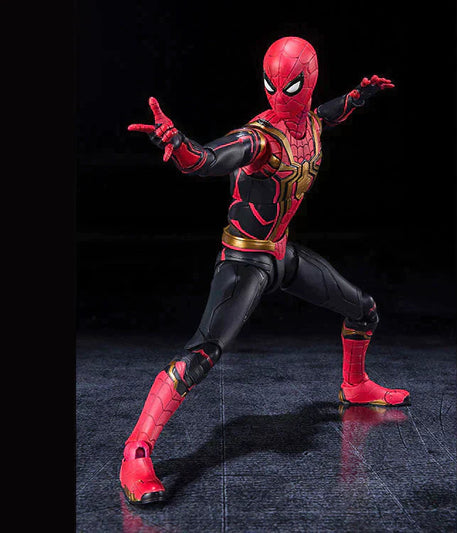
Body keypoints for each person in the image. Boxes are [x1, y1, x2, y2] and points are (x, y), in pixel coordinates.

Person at [120, 36, 410, 505]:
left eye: (290, 86)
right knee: (202, 354)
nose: (278, 96)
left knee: (364, 310)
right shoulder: (259, 138)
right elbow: (208, 160)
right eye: (270, 85)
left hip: (282, 254)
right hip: (244, 260)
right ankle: (136, 451)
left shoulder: (311, 123)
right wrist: (179, 144)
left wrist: (359, 96)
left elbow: (328, 114)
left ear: (309, 81)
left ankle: (355, 386)